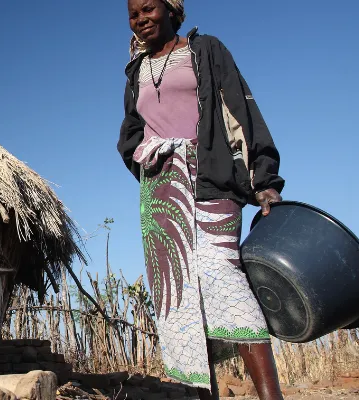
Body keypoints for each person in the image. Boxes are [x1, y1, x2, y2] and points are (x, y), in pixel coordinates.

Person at [117, 1, 286, 399]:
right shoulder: (136, 71)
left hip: (210, 177)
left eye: (148, 8)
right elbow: (129, 133)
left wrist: (263, 178)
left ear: (171, 10)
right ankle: (201, 394)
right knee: (178, 299)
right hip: (160, 192)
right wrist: (148, 157)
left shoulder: (205, 49)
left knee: (223, 277)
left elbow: (241, 111)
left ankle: (270, 395)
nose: (140, 18)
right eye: (132, 13)